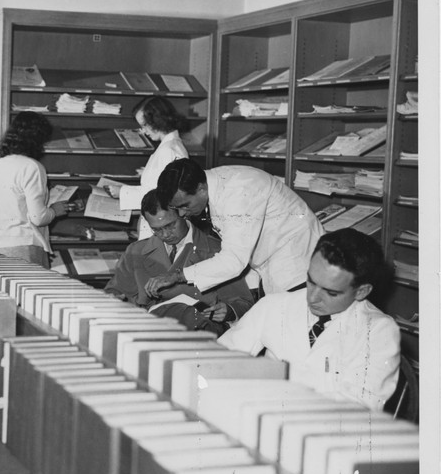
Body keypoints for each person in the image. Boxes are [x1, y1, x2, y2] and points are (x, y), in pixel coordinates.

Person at [218, 228, 399, 411]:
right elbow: (218, 358)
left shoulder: (378, 331)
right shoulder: (275, 305)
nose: (312, 298)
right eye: (311, 281)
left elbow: (358, 411)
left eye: (331, 293)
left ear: (361, 291)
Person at [146, 158, 324, 299]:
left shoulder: (239, 192)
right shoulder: (213, 184)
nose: (183, 213)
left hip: (297, 264)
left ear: (200, 189)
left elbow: (233, 260)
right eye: (177, 208)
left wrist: (177, 276)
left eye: (185, 205)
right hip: (274, 262)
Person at [104, 190, 253, 335]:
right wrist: (116, 302)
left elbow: (243, 303)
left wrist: (229, 310)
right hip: (147, 329)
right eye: (156, 230)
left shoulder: (217, 251)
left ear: (184, 214)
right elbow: (115, 293)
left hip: (199, 331)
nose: (165, 235)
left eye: (170, 226)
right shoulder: (136, 251)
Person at [0, 111, 73, 269]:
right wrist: (54, 210)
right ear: (36, 139)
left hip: (2, 246)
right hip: (27, 247)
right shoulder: (32, 167)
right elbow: (38, 218)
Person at [102, 96, 189, 239]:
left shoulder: (169, 149)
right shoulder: (169, 146)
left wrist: (123, 192)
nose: (143, 131)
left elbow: (164, 196)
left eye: (145, 125)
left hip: (164, 225)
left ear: (158, 120)